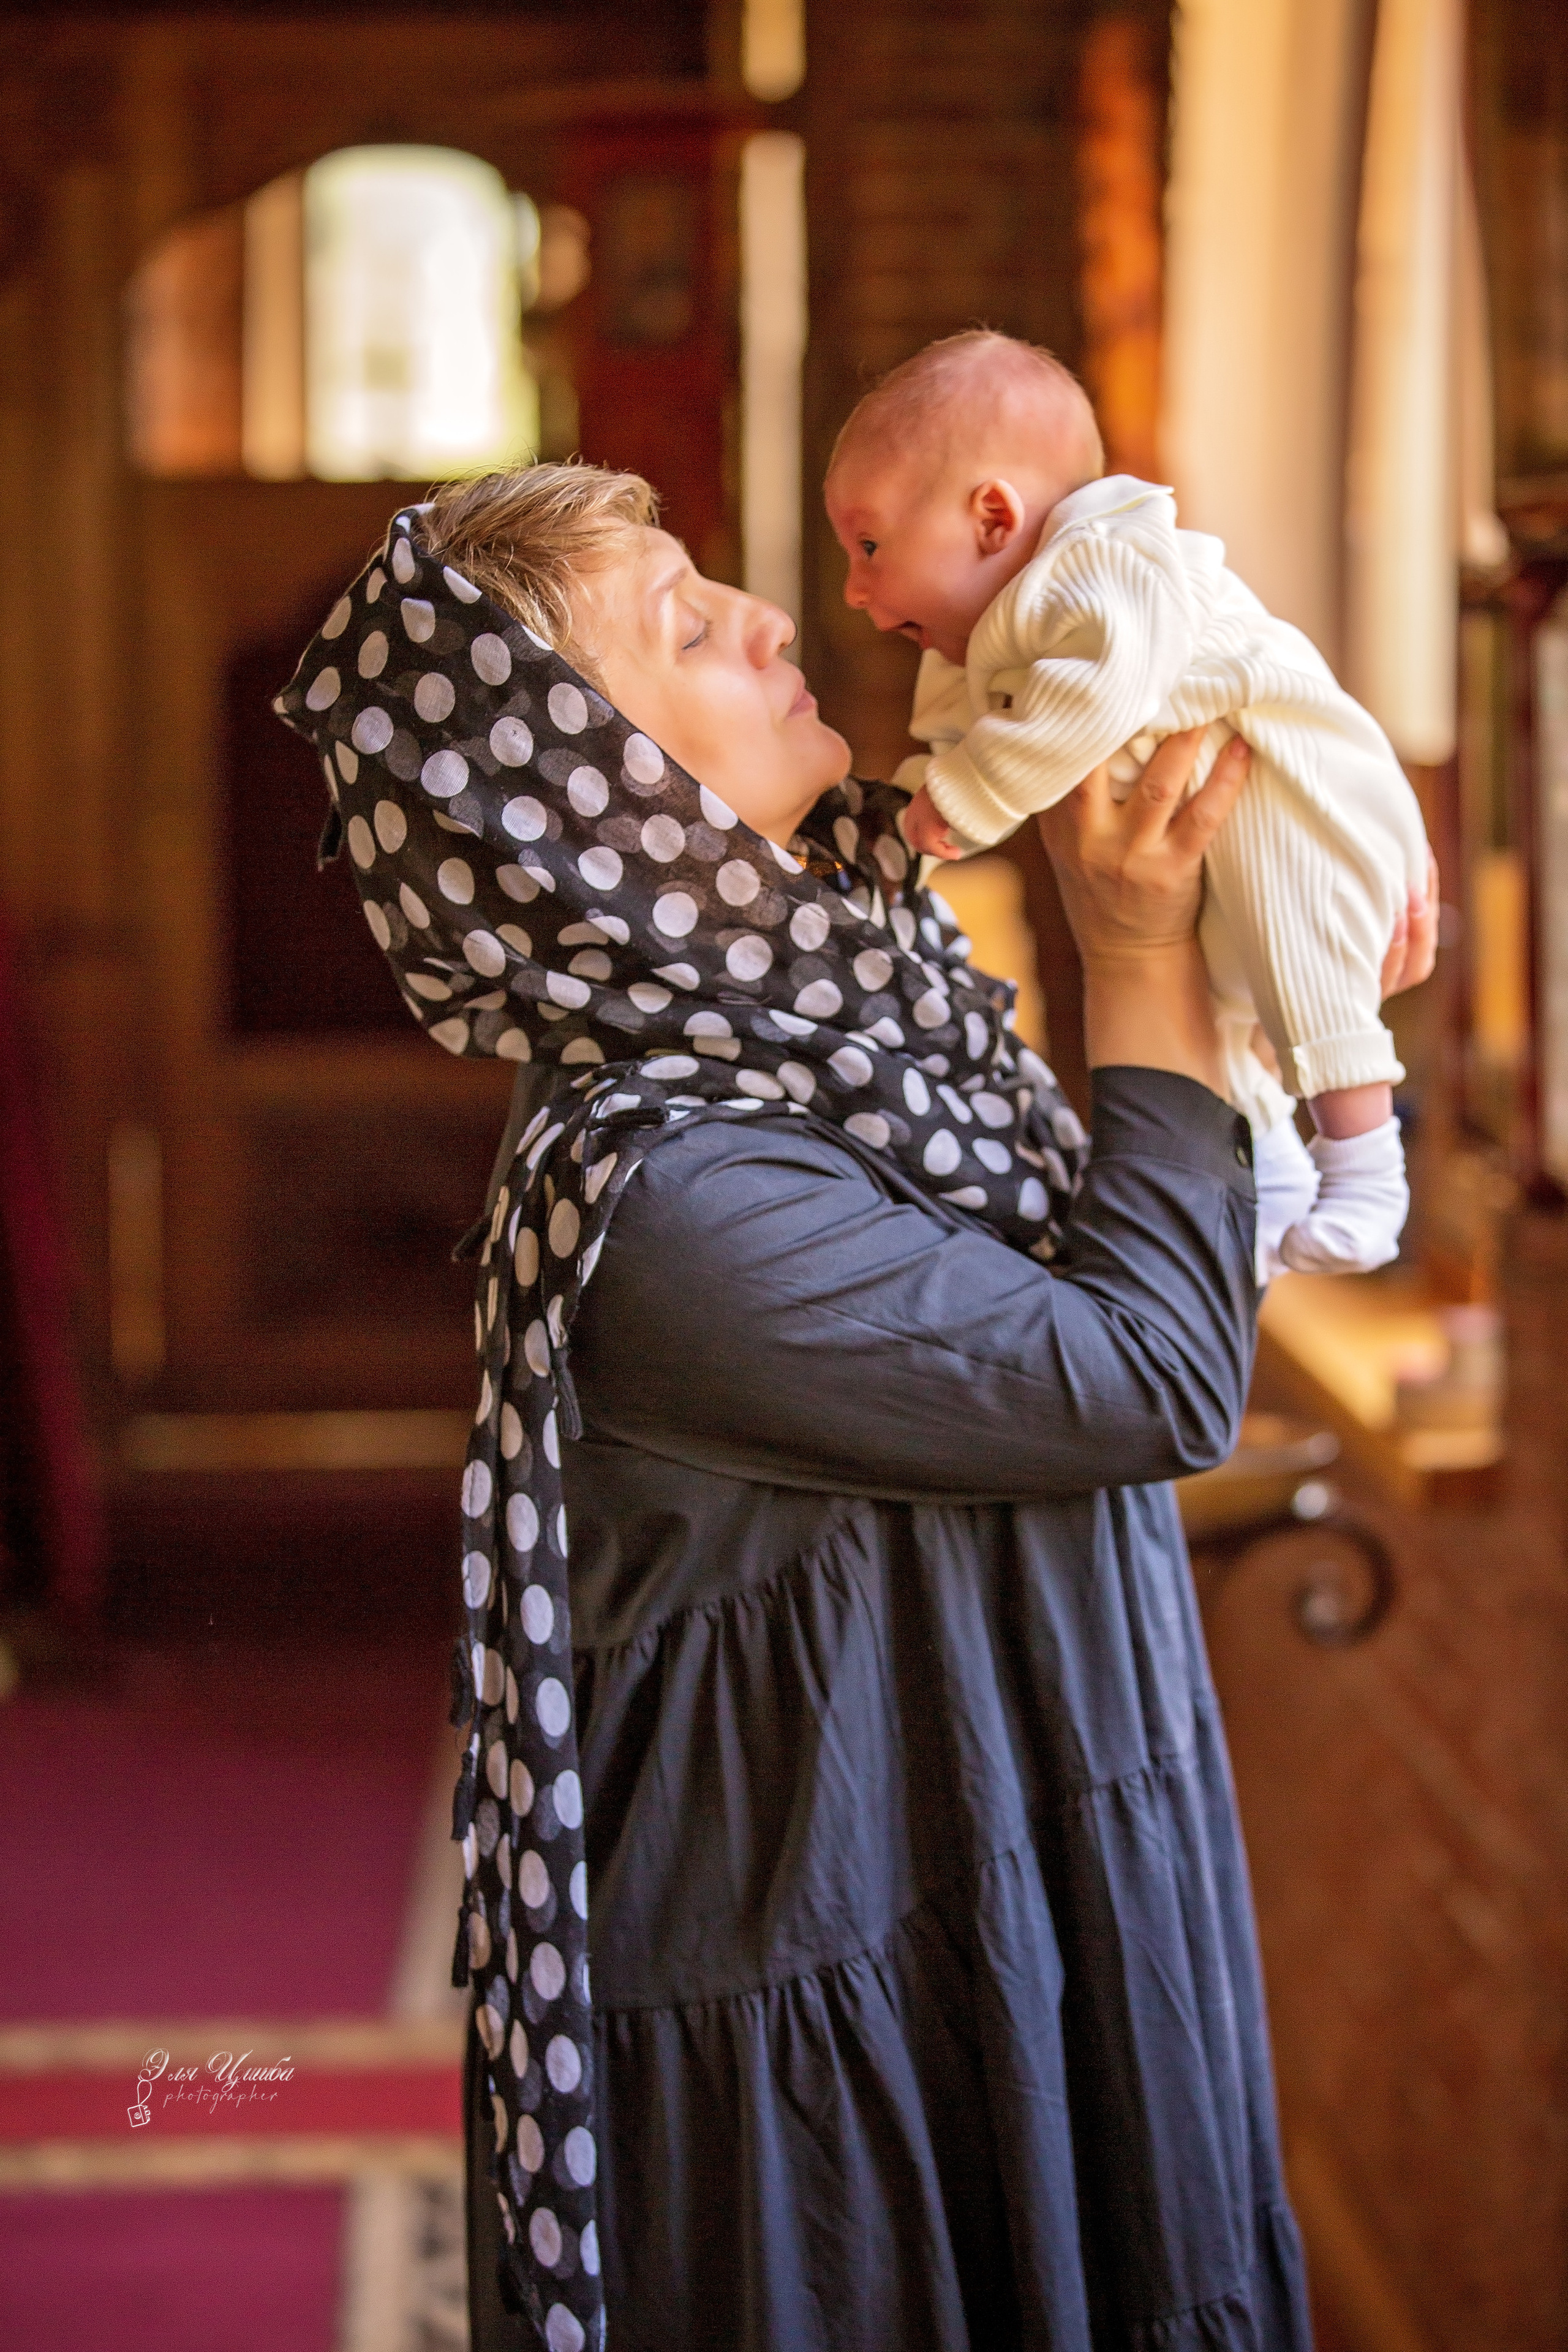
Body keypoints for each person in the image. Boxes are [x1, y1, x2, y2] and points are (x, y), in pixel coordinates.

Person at [275, 463, 1434, 2352]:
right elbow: (1144, 1367)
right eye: (681, 626)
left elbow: (1122, 1267)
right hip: (840, 2017)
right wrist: (1141, 953)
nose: (763, 616)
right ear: (592, 809)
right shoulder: (673, 1200)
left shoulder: (866, 1029)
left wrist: (1292, 913)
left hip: (998, 1879)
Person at [824, 329, 1435, 1282]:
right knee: (1226, 1018)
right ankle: (1270, 1169)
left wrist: (969, 797)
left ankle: (1364, 1165)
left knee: (1299, 956)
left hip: (1296, 794)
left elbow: (1097, 694)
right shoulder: (982, 644)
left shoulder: (1102, 560)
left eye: (870, 546)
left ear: (994, 516)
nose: (856, 591)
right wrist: (919, 811)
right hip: (1209, 840)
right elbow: (956, 742)